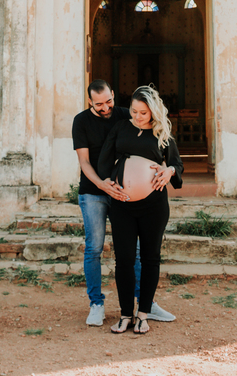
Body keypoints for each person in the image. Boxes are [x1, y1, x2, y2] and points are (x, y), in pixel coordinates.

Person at [72, 80, 177, 327]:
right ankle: (96, 304)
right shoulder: (82, 121)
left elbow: (154, 143)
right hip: (95, 190)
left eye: (109, 101)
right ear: (90, 102)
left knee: (138, 253)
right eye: (99, 104)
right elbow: (85, 162)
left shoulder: (126, 115)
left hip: (131, 198)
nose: (106, 107)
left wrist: (167, 169)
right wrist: (103, 184)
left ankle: (146, 305)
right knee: (95, 248)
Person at [97, 84, 183, 335]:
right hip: (122, 205)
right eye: (134, 111)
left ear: (153, 112)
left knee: (150, 258)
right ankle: (125, 315)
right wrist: (109, 183)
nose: (136, 117)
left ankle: (143, 314)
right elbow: (104, 160)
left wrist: (168, 171)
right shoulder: (121, 127)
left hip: (153, 206)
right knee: (123, 260)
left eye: (142, 113)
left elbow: (176, 164)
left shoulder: (162, 134)